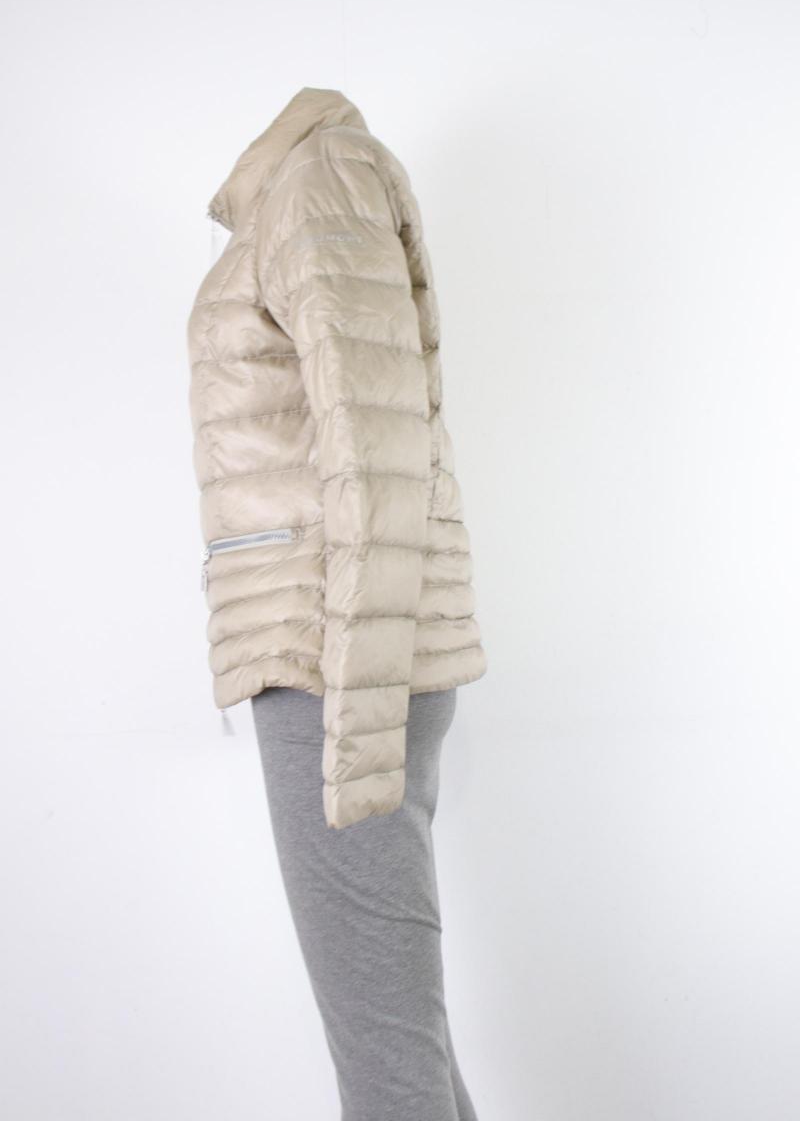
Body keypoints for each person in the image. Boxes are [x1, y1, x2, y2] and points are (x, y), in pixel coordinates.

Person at [187, 86, 488, 1120]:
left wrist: (356, 715)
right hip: (333, 653)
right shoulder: (297, 193)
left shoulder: (317, 180)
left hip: (337, 667)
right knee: (398, 1044)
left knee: (387, 1060)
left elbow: (374, 445)